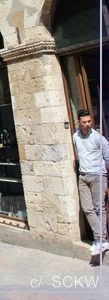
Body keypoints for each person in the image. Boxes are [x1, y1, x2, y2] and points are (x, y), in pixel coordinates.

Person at [72, 109, 109, 256]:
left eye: (89, 121)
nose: (87, 124)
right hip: (83, 176)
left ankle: (100, 241)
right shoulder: (75, 136)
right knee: (87, 208)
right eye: (84, 122)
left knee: (99, 208)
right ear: (79, 122)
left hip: (98, 175)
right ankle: (101, 240)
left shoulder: (98, 138)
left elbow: (107, 156)